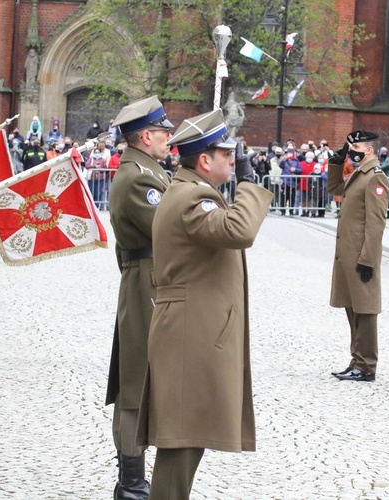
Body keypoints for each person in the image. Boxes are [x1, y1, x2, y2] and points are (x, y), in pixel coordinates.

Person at [138, 109, 273, 499]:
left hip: (191, 328)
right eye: (227, 157)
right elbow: (239, 230)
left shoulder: (189, 190)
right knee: (181, 439)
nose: (234, 162)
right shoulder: (193, 195)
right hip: (188, 334)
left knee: (187, 436)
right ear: (204, 160)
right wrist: (248, 183)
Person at [105, 95, 174, 499]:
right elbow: (169, 232)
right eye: (164, 132)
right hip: (147, 283)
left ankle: (134, 479)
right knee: (136, 383)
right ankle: (131, 481)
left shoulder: (147, 169)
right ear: (146, 136)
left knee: (146, 378)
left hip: (147, 279)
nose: (169, 138)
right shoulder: (140, 177)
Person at [327, 130, 389, 382]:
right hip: (348, 252)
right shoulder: (357, 173)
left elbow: (376, 223)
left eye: (356, 147)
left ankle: (366, 365)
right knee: (352, 307)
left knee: (365, 310)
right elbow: (335, 187)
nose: (351, 150)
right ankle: (356, 359)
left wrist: (368, 259)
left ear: (369, 150)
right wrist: (336, 163)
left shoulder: (376, 178)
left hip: (361, 254)